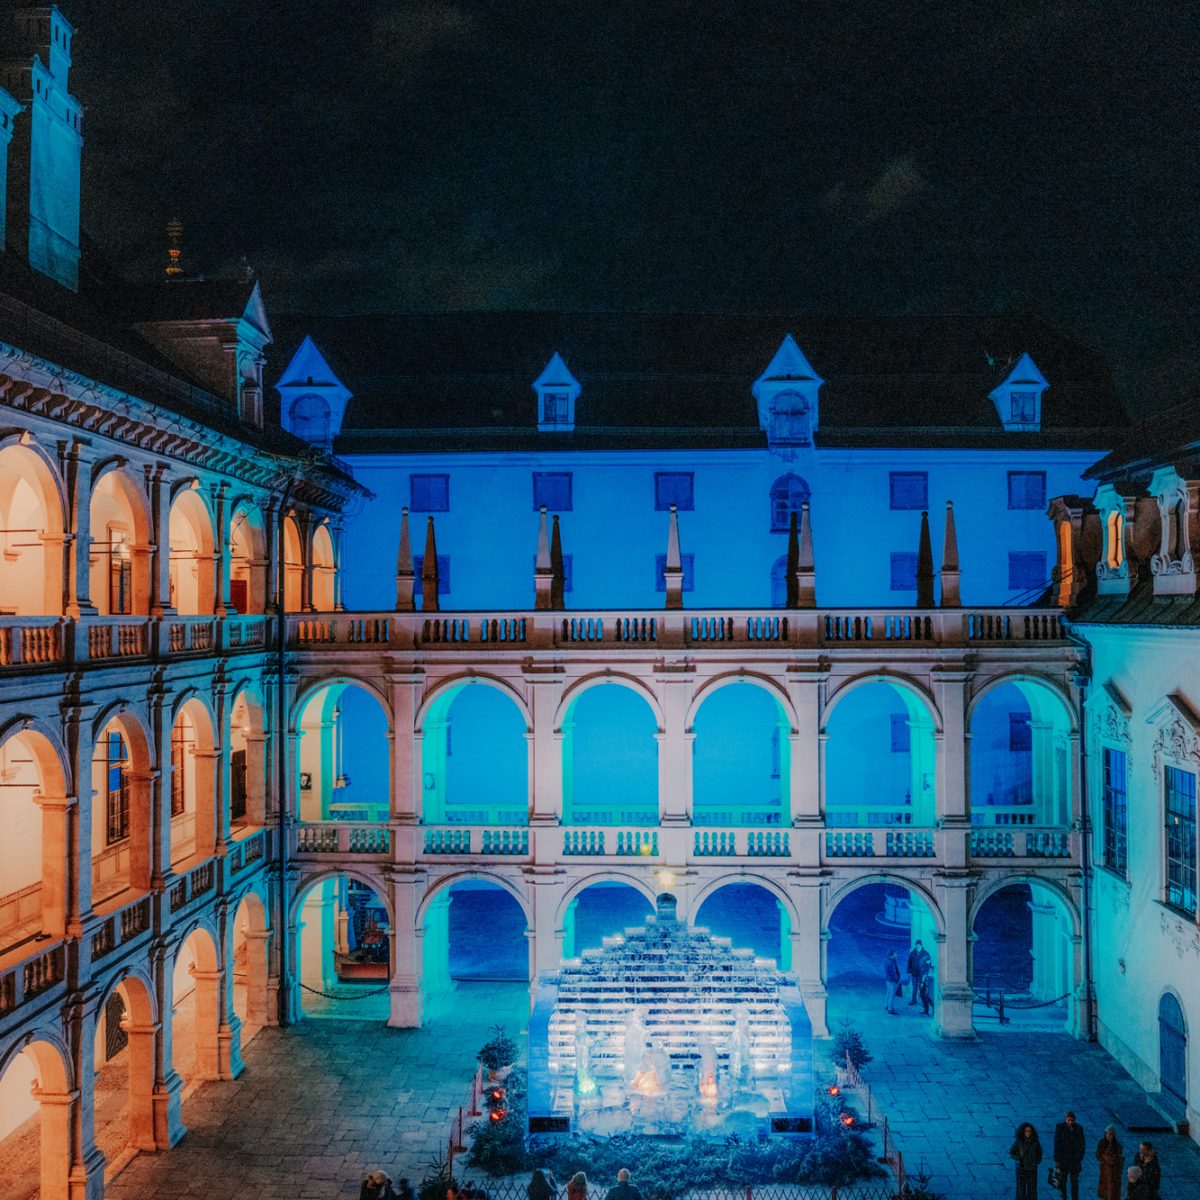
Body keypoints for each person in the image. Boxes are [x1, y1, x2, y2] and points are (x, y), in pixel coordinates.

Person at [1054, 1110, 1087, 1200]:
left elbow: (1082, 1144)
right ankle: (1064, 1195)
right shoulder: (1060, 1128)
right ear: (1066, 1120)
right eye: (1069, 1120)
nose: (1070, 1122)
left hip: (1074, 1161)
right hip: (1064, 1160)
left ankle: (1074, 1197)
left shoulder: (1079, 1128)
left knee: (1074, 1182)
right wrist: (1057, 1160)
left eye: (1072, 1120)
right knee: (1063, 1180)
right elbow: (1057, 1145)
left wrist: (1079, 1157)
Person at [1010, 1122, 1043, 1200]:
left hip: (1032, 1168)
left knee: (1032, 1190)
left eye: (1030, 1131)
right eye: (1026, 1131)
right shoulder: (1019, 1141)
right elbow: (1012, 1152)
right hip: (1022, 1168)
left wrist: (1037, 1161)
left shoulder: (1035, 1141)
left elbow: (1039, 1152)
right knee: (1021, 1190)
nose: (1028, 1133)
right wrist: (1018, 1158)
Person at [1096, 1126, 1123, 1200]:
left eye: (1110, 1134)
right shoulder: (1102, 1142)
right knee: (1105, 1193)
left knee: (1112, 1193)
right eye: (1107, 1133)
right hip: (1104, 1171)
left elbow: (1113, 1159)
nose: (1108, 1135)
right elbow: (1098, 1155)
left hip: (1113, 1173)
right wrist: (1107, 1157)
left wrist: (1104, 1155)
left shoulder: (1118, 1146)